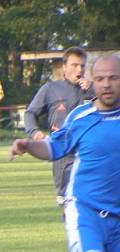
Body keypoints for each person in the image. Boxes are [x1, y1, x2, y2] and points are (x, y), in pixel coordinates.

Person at [9, 54, 120, 252]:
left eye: (113, 78)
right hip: (84, 207)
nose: (107, 84)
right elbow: (54, 149)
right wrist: (29, 146)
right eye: (100, 79)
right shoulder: (82, 116)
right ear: (92, 80)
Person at [24, 47, 94, 207]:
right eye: (74, 65)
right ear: (64, 67)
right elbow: (30, 114)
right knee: (66, 201)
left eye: (82, 66)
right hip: (63, 154)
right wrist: (35, 133)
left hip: (88, 151)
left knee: (90, 200)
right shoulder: (50, 89)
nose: (79, 69)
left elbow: (111, 108)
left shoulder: (93, 90)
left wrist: (93, 90)